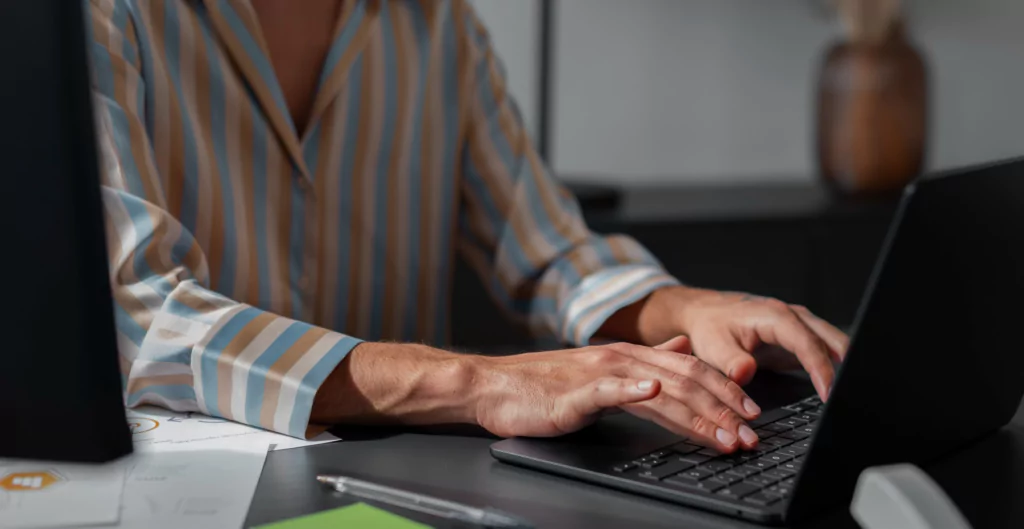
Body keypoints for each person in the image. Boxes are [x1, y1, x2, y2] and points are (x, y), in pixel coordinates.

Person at [88, 0, 847, 453]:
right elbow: (139, 313)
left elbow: (551, 254)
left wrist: (690, 308)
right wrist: (479, 380)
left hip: (388, 486)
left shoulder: (436, 22)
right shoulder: (102, 15)